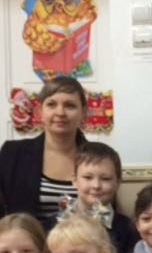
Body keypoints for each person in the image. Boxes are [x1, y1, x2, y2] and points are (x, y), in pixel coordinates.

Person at [0, 76, 87, 228]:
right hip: (25, 241)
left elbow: (104, 213)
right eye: (51, 104)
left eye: (70, 105)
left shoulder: (99, 157)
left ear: (84, 113)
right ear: (40, 111)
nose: (60, 112)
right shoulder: (12, 153)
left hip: (82, 242)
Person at [61, 142, 139, 253]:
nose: (96, 185)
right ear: (74, 180)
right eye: (88, 177)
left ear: (117, 183)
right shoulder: (53, 225)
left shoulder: (130, 229)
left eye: (105, 179)